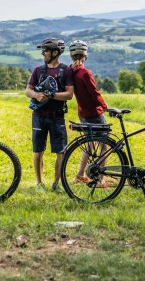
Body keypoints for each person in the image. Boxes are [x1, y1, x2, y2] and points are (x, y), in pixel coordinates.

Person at [24, 37, 74, 192]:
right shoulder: (38, 70)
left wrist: (52, 95)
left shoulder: (65, 70)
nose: (43, 53)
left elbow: (69, 94)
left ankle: (56, 183)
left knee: (61, 151)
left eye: (45, 50)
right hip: (38, 116)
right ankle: (39, 184)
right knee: (38, 150)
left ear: (55, 52)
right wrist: (35, 95)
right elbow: (27, 90)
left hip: (57, 116)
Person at [67, 40, 109, 185]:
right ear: (85, 55)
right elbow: (95, 93)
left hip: (82, 113)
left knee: (89, 144)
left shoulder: (71, 71)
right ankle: (101, 180)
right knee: (104, 145)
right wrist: (105, 106)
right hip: (95, 114)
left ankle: (80, 175)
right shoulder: (85, 73)